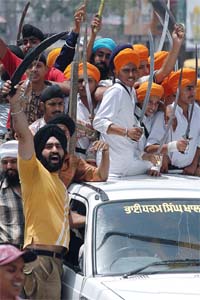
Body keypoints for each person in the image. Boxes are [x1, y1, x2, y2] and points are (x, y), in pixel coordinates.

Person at [4, 80, 70, 299]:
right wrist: (15, 104)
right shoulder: (33, 172)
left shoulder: (59, 184)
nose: (54, 150)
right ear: (39, 152)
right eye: (49, 146)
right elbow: (24, 135)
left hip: (55, 263)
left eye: (58, 147)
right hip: (40, 262)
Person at [93, 48, 158, 176]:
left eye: (134, 70)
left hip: (126, 160)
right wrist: (127, 132)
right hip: (114, 164)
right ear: (116, 72)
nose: (131, 75)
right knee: (156, 165)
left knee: (155, 162)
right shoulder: (116, 91)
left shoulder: (130, 91)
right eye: (126, 70)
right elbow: (98, 122)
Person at [146, 68, 200, 175]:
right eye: (188, 88)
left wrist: (194, 165)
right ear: (177, 90)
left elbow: (198, 140)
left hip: (190, 173)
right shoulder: (164, 115)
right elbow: (150, 148)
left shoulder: (197, 111)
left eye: (194, 88)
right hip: (168, 174)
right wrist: (157, 165)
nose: (193, 92)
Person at [47, 113, 110, 187]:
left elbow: (100, 176)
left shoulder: (73, 163)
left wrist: (105, 152)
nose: (60, 135)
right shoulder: (38, 157)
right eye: (56, 132)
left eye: (63, 132)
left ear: (69, 136)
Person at [65, 62, 101, 160]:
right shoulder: (69, 103)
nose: (84, 84)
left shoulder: (103, 105)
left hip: (101, 160)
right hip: (76, 158)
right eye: (80, 81)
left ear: (96, 83)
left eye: (88, 81)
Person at [0, 140, 24, 246]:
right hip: (6, 256)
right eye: (5, 162)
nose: (9, 166)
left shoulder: (35, 188)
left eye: (14, 161)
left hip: (32, 256)